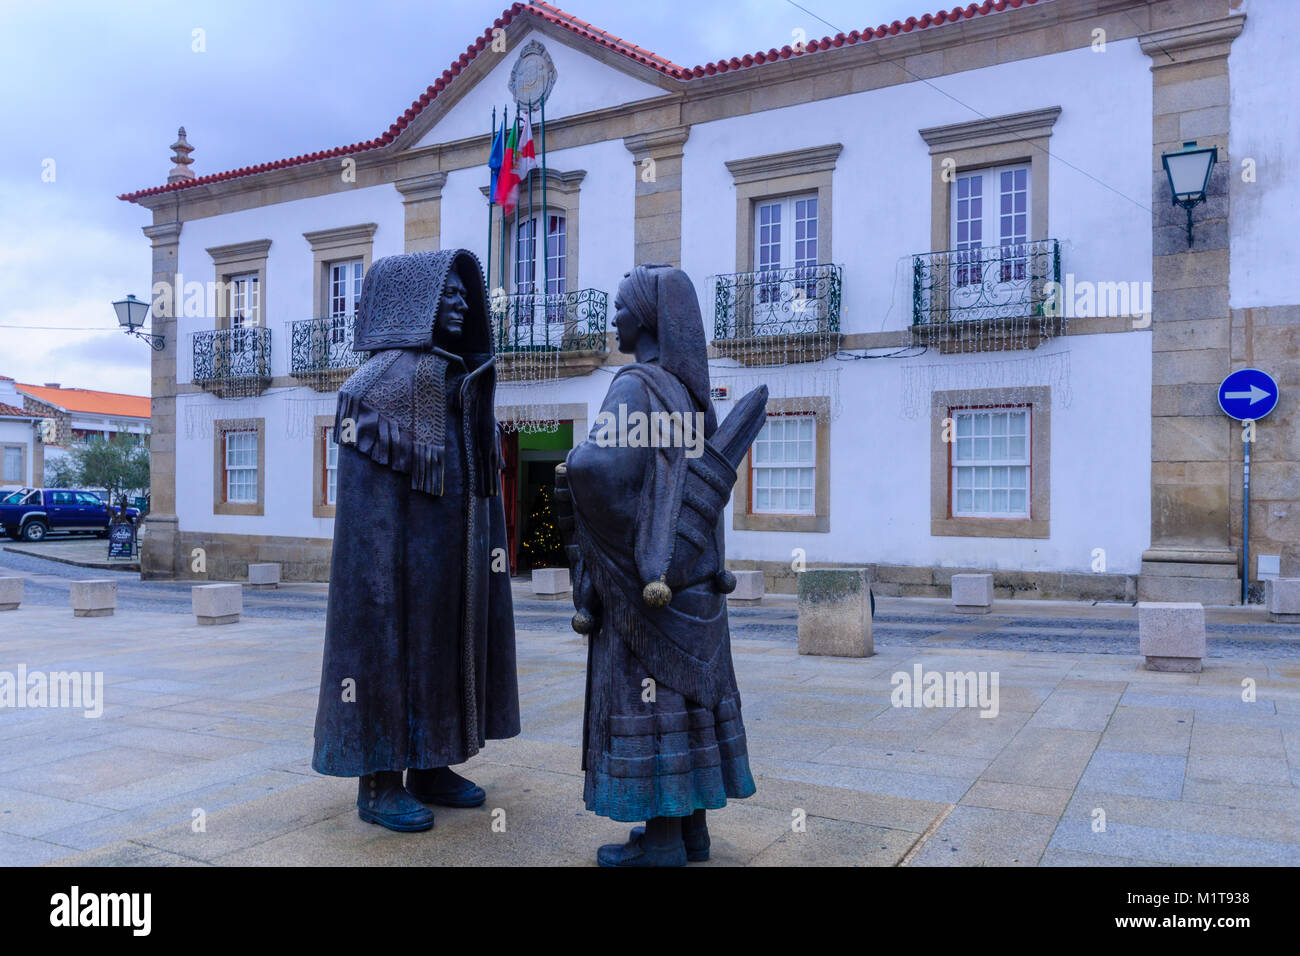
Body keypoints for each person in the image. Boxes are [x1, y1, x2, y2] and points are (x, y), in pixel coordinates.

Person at [311, 249, 520, 833]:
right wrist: (382, 578)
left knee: (446, 643)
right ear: (411, 301)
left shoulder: (460, 377)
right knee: (390, 645)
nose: (459, 301)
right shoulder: (372, 388)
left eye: (461, 292)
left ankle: (433, 760)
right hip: (395, 562)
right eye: (445, 291)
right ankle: (378, 781)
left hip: (452, 554)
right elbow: (364, 521)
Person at [563, 263, 761, 866]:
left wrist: (571, 459)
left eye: (620, 308)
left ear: (644, 318)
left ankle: (665, 844)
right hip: (694, 583)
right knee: (684, 704)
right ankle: (689, 832)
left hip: (648, 589)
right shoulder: (687, 394)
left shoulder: (635, 386)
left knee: (651, 705)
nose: (614, 318)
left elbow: (600, 471)